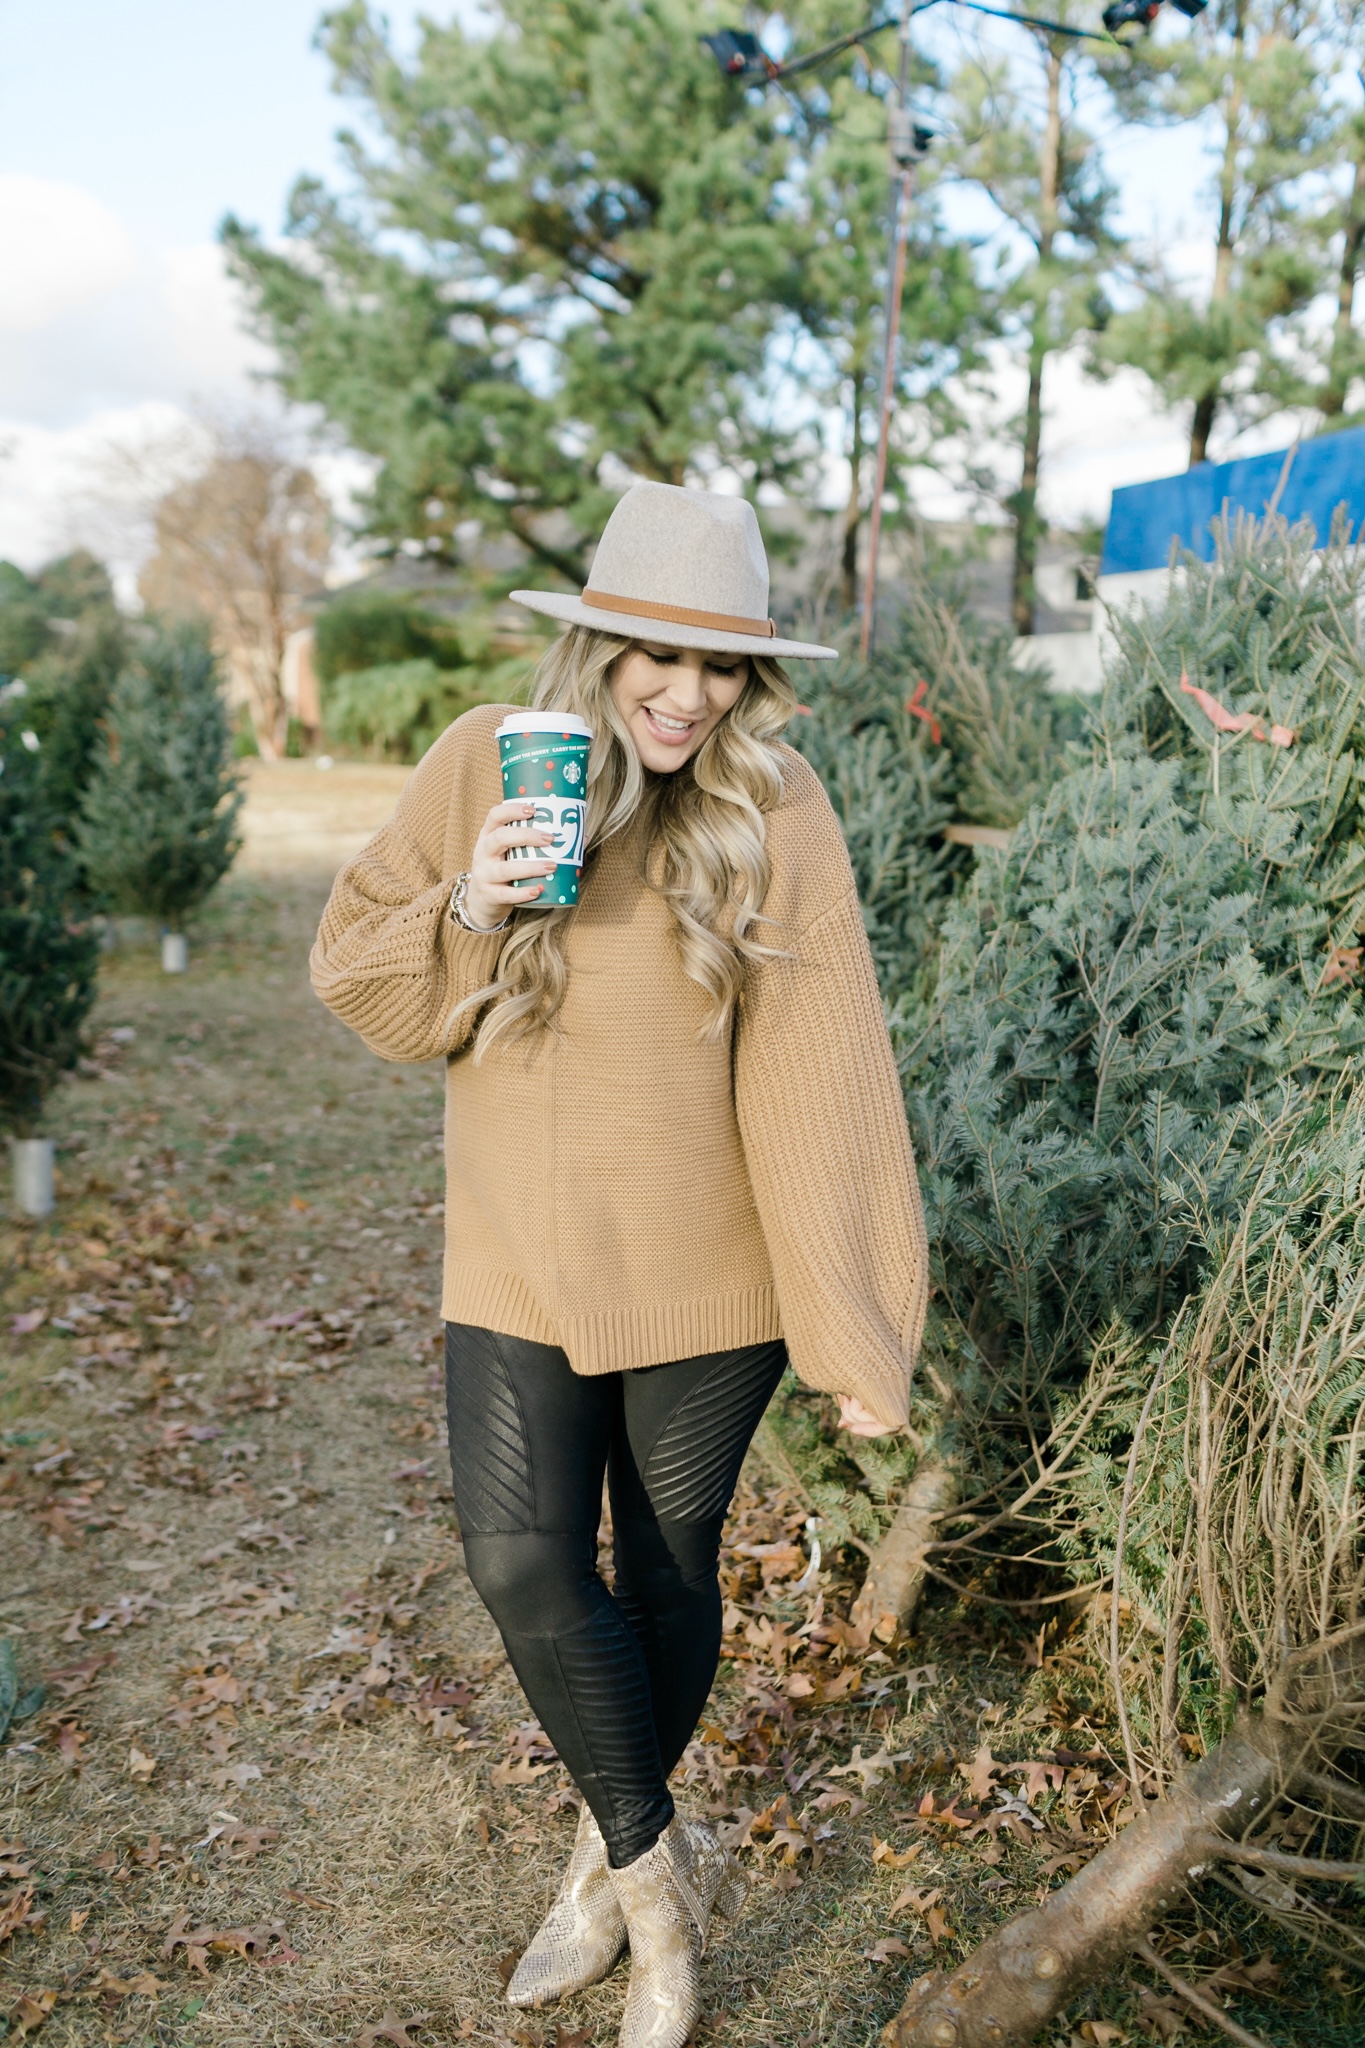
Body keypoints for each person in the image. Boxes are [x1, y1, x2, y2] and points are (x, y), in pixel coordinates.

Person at [311, 482, 928, 2048]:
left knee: (662, 1571)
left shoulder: (770, 803)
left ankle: (599, 1872)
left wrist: (855, 1323)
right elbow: (362, 982)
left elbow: (822, 1067)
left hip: (708, 1274)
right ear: (594, 645)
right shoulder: (484, 760)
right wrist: (475, 898)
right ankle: (661, 1886)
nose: (685, 691)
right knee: (523, 1561)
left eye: (719, 667)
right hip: (518, 1254)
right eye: (656, 652)